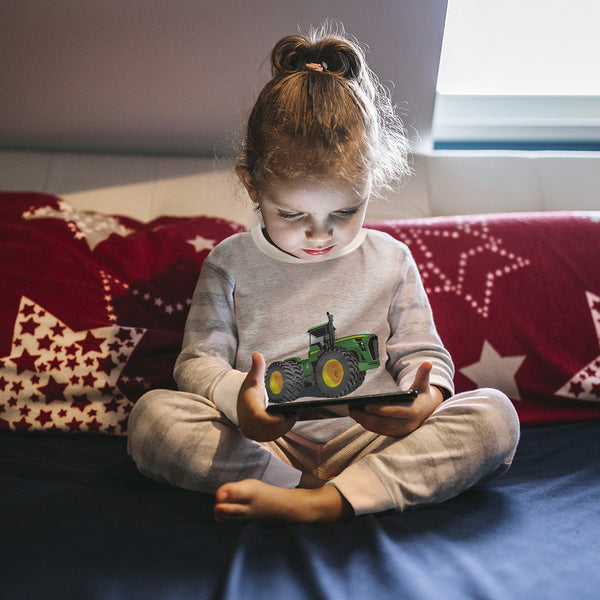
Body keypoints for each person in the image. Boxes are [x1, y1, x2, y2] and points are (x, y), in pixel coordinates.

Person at [127, 25, 520, 524]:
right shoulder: (229, 263)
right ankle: (307, 489)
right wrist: (238, 401)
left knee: (494, 416)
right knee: (153, 418)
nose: (320, 236)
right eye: (292, 215)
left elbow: (422, 352)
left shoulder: (391, 258)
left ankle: (323, 500)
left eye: (344, 212)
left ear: (370, 181)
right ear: (252, 185)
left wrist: (426, 400)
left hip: (373, 440)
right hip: (265, 442)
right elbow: (199, 362)